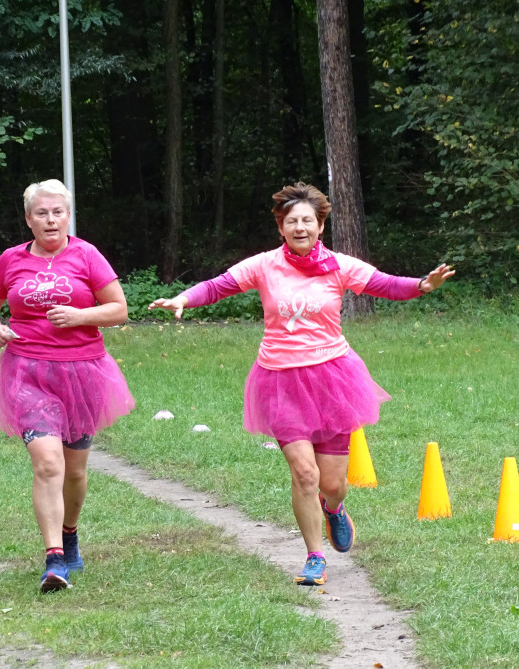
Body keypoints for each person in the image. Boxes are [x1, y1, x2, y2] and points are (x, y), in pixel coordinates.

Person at [149, 182, 454, 587]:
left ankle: (334, 509)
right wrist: (184, 299)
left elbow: (383, 283)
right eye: (291, 221)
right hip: (279, 380)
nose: (300, 227)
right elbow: (218, 285)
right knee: (304, 475)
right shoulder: (263, 265)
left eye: (307, 220)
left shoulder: (340, 266)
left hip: (332, 379)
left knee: (332, 483)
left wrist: (421, 286)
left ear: (320, 225)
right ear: (281, 228)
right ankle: (314, 555)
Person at [0, 179, 135, 593]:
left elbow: (118, 310)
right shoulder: (11, 260)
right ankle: (54, 559)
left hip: (82, 373)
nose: (50, 220)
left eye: (57, 212)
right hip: (26, 372)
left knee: (75, 471)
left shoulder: (87, 255)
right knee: (48, 462)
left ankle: (70, 532)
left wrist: (80, 316)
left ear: (68, 216)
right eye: (41, 213)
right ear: (29, 220)